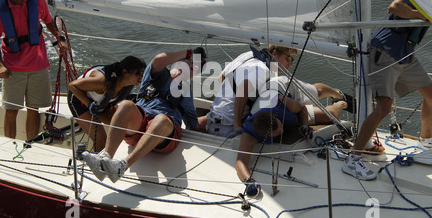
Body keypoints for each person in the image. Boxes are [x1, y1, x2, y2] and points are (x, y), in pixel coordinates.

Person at [342, 0, 432, 181]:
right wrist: (421, 15)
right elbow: (394, 6)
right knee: (384, 107)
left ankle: (426, 141)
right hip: (385, 52)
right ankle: (353, 158)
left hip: (405, 55)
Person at [82, 49, 206, 182]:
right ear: (175, 62)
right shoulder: (155, 74)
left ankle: (121, 167)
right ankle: (104, 159)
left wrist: (212, 118)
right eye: (186, 64)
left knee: (161, 120)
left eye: (192, 70)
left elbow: (194, 124)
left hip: (164, 133)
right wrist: (188, 52)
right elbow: (159, 59)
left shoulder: (186, 91)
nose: (187, 69)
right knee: (126, 105)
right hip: (140, 124)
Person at [0, 0, 67, 140]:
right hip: (13, 67)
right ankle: (10, 148)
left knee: (34, 109)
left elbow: (49, 22)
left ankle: (29, 145)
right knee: (11, 111)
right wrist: (1, 66)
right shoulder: (0, 8)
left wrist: (59, 38)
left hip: (38, 64)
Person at [207, 45, 296, 138]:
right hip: (228, 127)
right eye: (289, 58)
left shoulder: (248, 55)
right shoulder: (262, 69)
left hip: (213, 116)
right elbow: (242, 90)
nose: (291, 64)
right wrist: (237, 125)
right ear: (274, 54)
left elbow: (221, 78)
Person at [236, 92, 313, 196]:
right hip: (264, 102)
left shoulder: (280, 103)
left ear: (275, 118)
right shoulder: (249, 133)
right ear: (263, 135)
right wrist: (249, 181)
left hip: (283, 95)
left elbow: (302, 108)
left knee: (329, 112)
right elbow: (240, 162)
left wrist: (305, 125)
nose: (281, 131)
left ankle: (339, 100)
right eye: (277, 133)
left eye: (280, 126)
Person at [68, 56, 147, 151]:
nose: (141, 77)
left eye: (143, 73)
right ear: (125, 72)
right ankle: (94, 163)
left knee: (123, 125)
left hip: (102, 103)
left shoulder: (128, 83)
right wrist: (89, 104)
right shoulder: (101, 81)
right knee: (101, 141)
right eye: (138, 73)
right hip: (79, 100)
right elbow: (72, 86)